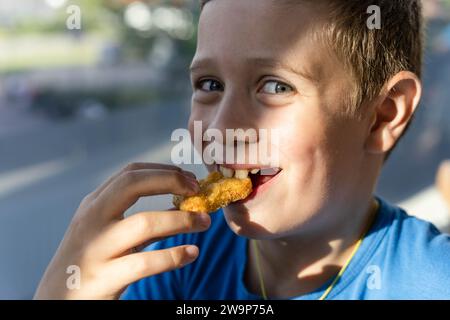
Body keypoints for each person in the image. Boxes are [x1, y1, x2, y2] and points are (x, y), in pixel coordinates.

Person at [34, 0, 450, 300]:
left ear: (382, 115)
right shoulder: (177, 260)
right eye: (210, 85)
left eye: (275, 86)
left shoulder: (434, 282)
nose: (220, 129)